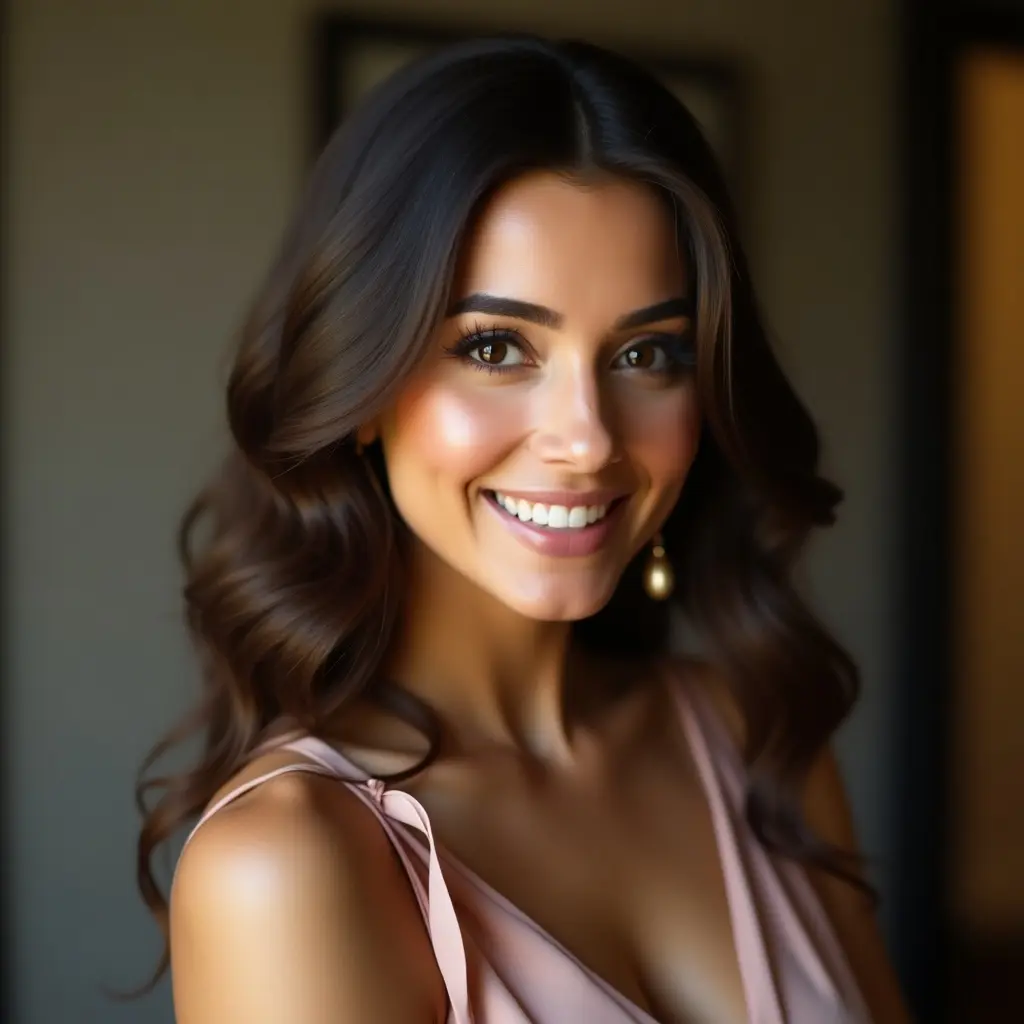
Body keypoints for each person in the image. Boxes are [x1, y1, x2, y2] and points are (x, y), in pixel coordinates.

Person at [136, 34, 910, 1023]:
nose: (586, 439)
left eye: (646, 353)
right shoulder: (291, 862)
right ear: (359, 385)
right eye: (496, 346)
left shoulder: (756, 734)